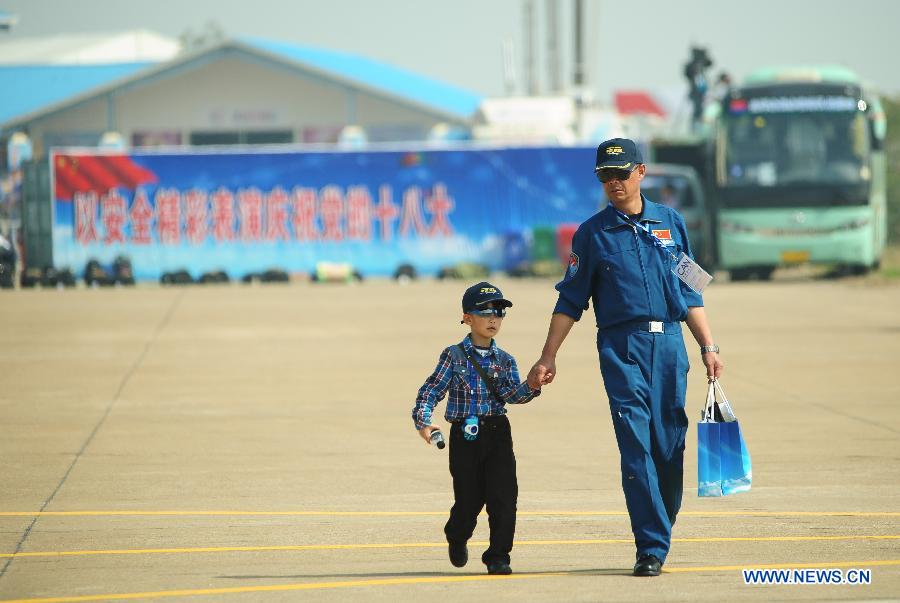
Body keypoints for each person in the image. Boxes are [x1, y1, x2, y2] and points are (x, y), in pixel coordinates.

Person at [527, 138, 723, 577]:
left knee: (669, 445)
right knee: (635, 445)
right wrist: (548, 356)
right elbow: (570, 300)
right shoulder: (592, 234)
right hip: (621, 348)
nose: (613, 182)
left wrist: (708, 346)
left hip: (670, 345)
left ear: (641, 172)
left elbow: (690, 289)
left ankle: (660, 523)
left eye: (620, 173)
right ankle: (650, 547)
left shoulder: (670, 223)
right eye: (604, 176)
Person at [412, 281, 540, 576]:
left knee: (504, 497)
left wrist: (533, 384)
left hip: (498, 432)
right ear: (467, 317)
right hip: (465, 436)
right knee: (469, 499)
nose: (493, 318)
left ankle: (498, 556)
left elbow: (512, 396)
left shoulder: (506, 360)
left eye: (499, 312)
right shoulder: (453, 356)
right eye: (484, 311)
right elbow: (431, 390)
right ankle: (457, 535)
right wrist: (424, 421)